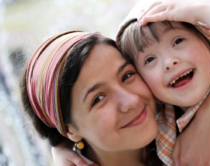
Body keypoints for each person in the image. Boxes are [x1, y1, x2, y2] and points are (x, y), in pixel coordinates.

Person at [51, 1, 210, 166]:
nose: (169, 62)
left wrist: (200, 11)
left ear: (209, 41)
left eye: (178, 41)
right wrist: (63, 150)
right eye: (149, 60)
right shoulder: (167, 133)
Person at [20, 31, 161, 166]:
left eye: (127, 76)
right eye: (98, 99)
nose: (132, 101)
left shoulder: (175, 116)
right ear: (70, 131)